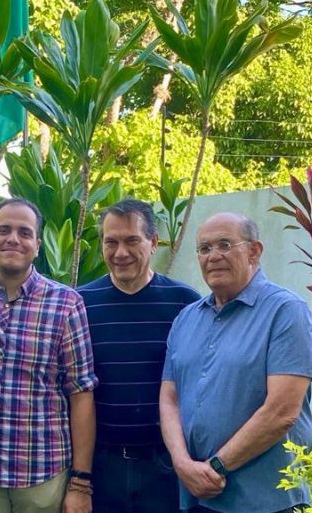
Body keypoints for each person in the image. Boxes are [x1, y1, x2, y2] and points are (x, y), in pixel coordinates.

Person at [159, 212, 312, 513]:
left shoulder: (286, 313)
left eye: (225, 244)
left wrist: (216, 467)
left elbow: (281, 412)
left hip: (266, 500)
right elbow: (169, 399)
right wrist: (182, 464)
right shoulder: (186, 319)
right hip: (197, 497)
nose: (213, 256)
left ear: (254, 251)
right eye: (204, 248)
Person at [0, 197, 98, 513]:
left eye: (24, 232)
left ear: (37, 244)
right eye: (3, 230)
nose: (13, 239)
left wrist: (80, 483)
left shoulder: (66, 304)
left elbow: (81, 394)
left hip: (42, 477)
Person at [78, 199, 200, 513]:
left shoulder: (185, 304)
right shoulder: (79, 305)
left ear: (154, 242)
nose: (121, 253)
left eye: (132, 240)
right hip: (100, 466)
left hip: (165, 466)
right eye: (111, 242)